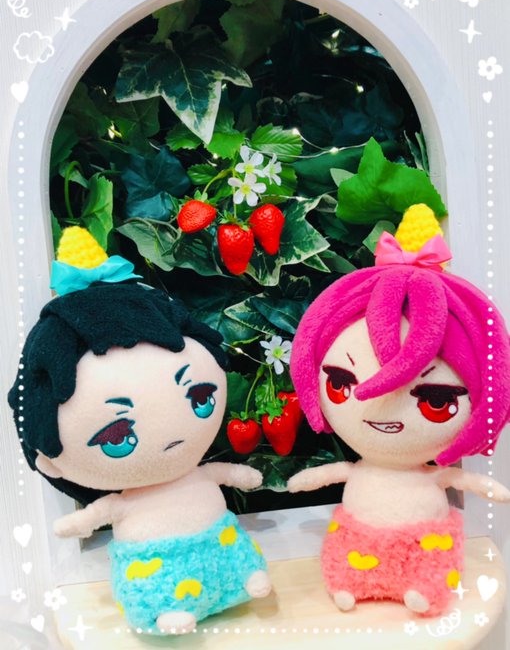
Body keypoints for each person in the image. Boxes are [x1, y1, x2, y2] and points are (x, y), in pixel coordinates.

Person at [9, 227, 271, 635]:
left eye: (200, 397)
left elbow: (228, 475)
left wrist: (240, 475)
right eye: (117, 437)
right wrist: (76, 525)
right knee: (153, 587)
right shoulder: (125, 501)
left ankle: (246, 579)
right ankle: (164, 611)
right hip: (153, 562)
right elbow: (92, 517)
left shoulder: (195, 474)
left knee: (237, 559)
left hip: (220, 542)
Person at [288, 210, 510, 616]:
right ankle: (349, 584)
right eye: (341, 385)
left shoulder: (432, 475)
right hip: (357, 541)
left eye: (435, 402)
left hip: (426, 542)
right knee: (345, 557)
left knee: (433, 560)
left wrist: (485, 486)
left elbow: (461, 479)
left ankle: (424, 589)